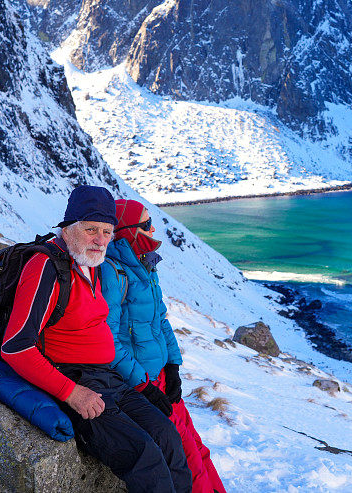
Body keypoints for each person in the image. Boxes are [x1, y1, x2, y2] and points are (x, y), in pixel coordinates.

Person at [0, 185, 192, 493]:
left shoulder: (92, 266)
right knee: (145, 456)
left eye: (107, 231)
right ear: (69, 227)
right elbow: (16, 347)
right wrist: (72, 393)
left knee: (167, 436)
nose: (100, 239)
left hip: (108, 378)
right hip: (74, 381)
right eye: (91, 229)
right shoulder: (47, 267)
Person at [101, 199, 226, 493]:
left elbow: (161, 320)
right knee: (185, 459)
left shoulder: (146, 265)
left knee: (197, 449)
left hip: (160, 377)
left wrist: (173, 365)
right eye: (146, 224)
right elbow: (110, 340)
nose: (153, 229)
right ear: (128, 230)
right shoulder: (111, 272)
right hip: (142, 384)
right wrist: (143, 385)